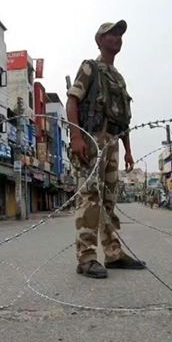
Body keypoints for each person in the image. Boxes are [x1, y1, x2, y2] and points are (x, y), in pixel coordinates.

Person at [66, 20, 146, 279]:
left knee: (109, 199)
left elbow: (123, 119)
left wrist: (128, 150)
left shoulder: (118, 79)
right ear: (99, 40)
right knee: (90, 196)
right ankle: (86, 257)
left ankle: (113, 253)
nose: (117, 38)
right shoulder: (91, 67)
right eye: (111, 34)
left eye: (120, 34)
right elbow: (72, 101)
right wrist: (76, 137)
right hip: (92, 139)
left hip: (113, 140)